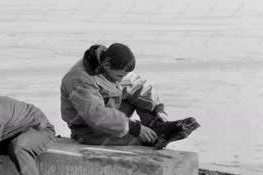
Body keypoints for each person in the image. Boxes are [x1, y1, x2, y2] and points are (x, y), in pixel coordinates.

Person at [60, 43, 199, 148]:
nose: (122, 79)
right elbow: (95, 115)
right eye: (120, 75)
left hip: (111, 114)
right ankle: (155, 136)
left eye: (124, 75)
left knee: (138, 96)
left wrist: (158, 108)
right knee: (139, 141)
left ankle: (156, 125)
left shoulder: (112, 65)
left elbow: (137, 85)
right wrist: (133, 128)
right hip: (88, 130)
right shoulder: (80, 80)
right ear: (107, 66)